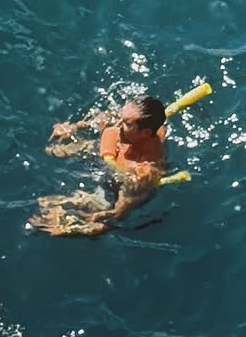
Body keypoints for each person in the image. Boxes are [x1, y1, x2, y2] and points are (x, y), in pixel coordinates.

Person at [30, 94, 168, 236]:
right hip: (108, 154)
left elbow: (118, 215)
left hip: (113, 189)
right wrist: (75, 127)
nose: (117, 124)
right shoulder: (139, 128)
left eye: (126, 123)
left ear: (145, 132)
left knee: (49, 211)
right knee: (53, 150)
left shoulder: (142, 172)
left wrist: (80, 226)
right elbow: (109, 116)